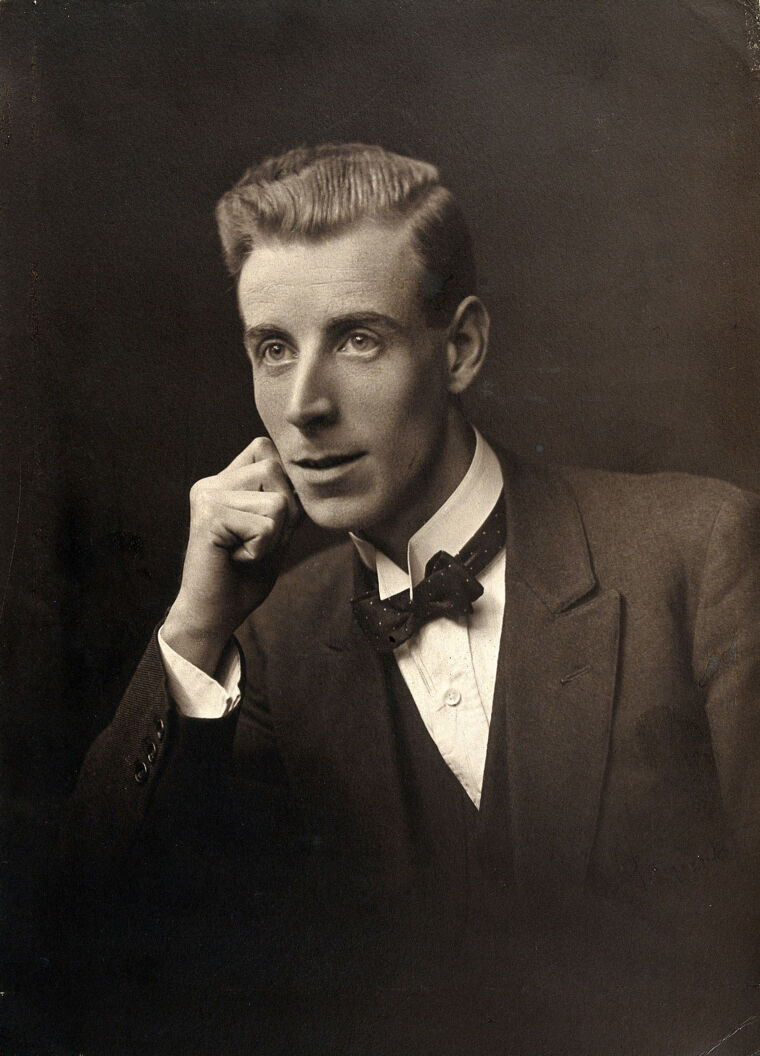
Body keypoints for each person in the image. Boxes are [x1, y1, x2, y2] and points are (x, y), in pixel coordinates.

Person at [59, 143, 760, 1055]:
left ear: (460, 348)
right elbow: (90, 946)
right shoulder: (270, 643)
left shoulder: (697, 551)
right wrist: (196, 628)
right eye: (273, 348)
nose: (304, 404)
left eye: (358, 339)